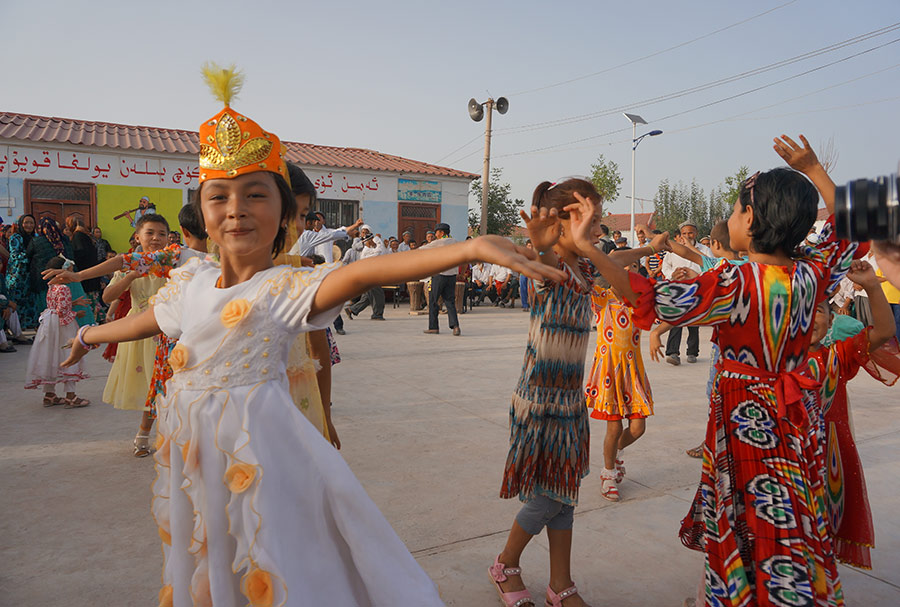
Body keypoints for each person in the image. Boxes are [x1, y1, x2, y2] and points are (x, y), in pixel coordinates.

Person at [60, 63, 562, 605]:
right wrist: (87, 337)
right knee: (212, 559)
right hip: (195, 454)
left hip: (268, 456)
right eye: (219, 197)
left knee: (284, 561)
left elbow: (362, 273)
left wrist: (465, 248)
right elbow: (146, 320)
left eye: (256, 195)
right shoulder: (188, 280)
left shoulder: (284, 288)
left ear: (285, 215)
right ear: (202, 214)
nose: (236, 210)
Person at [584, 134, 862, 607]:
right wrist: (814, 169)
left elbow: (647, 297)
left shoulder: (735, 281)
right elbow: (856, 225)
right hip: (796, 422)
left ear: (750, 219)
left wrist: (587, 251)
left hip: (744, 421)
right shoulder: (812, 274)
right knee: (794, 511)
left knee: (746, 519)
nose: (731, 218)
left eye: (735, 210)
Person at [491, 177, 667, 607]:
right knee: (546, 496)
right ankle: (505, 564)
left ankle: (559, 583)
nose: (599, 223)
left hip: (570, 398)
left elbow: (623, 280)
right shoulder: (544, 262)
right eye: (590, 216)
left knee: (565, 495)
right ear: (565, 218)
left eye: (598, 216)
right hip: (539, 398)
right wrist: (561, 242)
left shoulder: (587, 265)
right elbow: (548, 259)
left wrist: (642, 249)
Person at [806, 265, 899, 570]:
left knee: (822, 522)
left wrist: (872, 286)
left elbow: (884, 332)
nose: (808, 319)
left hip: (830, 456)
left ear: (832, 319)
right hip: (786, 457)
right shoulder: (771, 359)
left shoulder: (839, 355)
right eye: (799, 310)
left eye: (817, 311)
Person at [101, 213, 171, 456]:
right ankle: (143, 434)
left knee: (171, 387)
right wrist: (131, 275)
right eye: (150, 233)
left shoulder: (173, 262)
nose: (156, 238)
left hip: (171, 330)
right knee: (152, 387)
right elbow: (107, 297)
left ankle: (172, 436)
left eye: (162, 234)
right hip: (141, 332)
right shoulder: (128, 264)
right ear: (138, 237)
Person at [584, 261, 653, 503]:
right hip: (609, 372)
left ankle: (615, 455)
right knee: (613, 428)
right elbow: (585, 279)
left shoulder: (640, 301)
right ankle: (608, 474)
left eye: (632, 266)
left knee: (638, 428)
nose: (626, 271)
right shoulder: (604, 298)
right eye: (620, 267)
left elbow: (672, 307)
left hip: (632, 372)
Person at [24, 256, 89, 407]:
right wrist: (76, 313)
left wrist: (73, 303)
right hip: (63, 327)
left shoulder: (52, 287)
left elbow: (56, 307)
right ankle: (71, 396)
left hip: (50, 324)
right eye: (70, 272)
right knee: (68, 353)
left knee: (50, 355)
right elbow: (62, 312)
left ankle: (49, 394)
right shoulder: (65, 288)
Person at [659, 220, 711, 365]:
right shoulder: (673, 249)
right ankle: (673, 352)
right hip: (678, 288)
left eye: (690, 233)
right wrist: (672, 275)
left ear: (696, 233)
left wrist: (696, 275)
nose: (687, 236)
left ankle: (692, 352)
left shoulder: (704, 250)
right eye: (684, 233)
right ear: (680, 235)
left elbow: (710, 266)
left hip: (696, 288)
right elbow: (665, 266)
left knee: (693, 323)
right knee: (675, 320)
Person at [420, 222, 460, 336]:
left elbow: (421, 250)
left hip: (439, 275)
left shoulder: (438, 243)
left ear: (441, 233)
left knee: (433, 301)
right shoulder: (455, 242)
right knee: (450, 302)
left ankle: (433, 327)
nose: (435, 235)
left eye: (436, 232)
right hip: (452, 276)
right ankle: (455, 326)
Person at [5, 215, 42, 329]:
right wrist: (31, 257)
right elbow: (15, 255)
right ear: (21, 224)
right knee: (16, 302)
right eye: (26, 223)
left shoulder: (35, 237)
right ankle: (15, 329)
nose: (29, 225)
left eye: (31, 223)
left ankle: (28, 326)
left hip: (31, 275)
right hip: (17, 275)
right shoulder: (15, 237)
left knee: (30, 301)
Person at [344, 227, 387, 320]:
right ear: (369, 241)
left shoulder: (370, 249)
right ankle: (377, 314)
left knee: (368, 297)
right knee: (378, 295)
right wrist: (378, 240)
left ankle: (352, 310)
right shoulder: (366, 251)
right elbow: (379, 252)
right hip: (369, 276)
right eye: (372, 240)